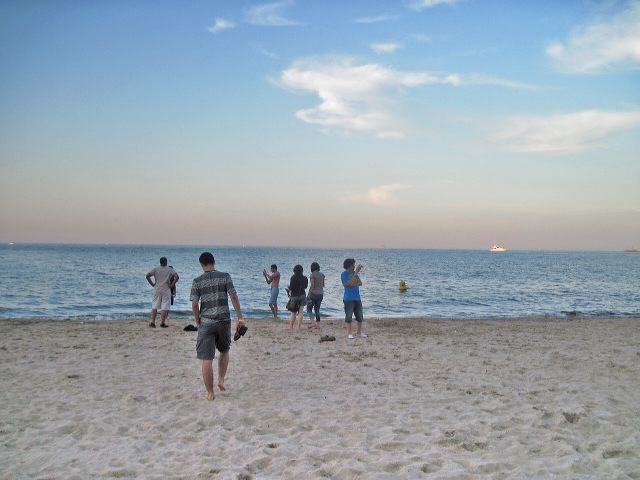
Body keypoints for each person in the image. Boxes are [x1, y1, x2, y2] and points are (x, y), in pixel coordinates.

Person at [190, 252, 245, 401]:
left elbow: (195, 304)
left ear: (201, 264)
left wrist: (198, 321)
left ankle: (210, 393)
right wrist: (240, 317)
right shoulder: (225, 276)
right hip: (223, 320)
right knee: (224, 350)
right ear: (214, 262)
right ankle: (221, 380)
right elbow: (233, 296)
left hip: (206, 322)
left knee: (206, 359)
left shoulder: (197, 281)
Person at [146, 257, 179, 328]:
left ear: (160, 262)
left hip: (157, 288)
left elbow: (147, 276)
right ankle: (162, 323)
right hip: (166, 289)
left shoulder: (155, 269)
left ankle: (153, 322)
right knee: (165, 306)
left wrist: (152, 284)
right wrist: (172, 284)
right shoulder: (170, 269)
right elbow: (177, 277)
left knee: (154, 305)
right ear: (166, 262)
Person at [341, 258, 366, 339]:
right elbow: (347, 284)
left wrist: (353, 281)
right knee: (348, 317)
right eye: (353, 265)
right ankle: (349, 333)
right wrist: (355, 275)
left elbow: (360, 283)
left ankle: (359, 333)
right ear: (349, 266)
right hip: (348, 299)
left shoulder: (354, 274)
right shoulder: (343, 274)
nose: (354, 267)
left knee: (359, 317)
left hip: (357, 298)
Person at [288, 264, 308, 333]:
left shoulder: (293, 277)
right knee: (301, 312)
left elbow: (291, 287)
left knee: (293, 312)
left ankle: (291, 327)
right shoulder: (305, 278)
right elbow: (305, 287)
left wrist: (289, 290)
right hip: (302, 295)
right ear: (302, 271)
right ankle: (299, 328)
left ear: (294, 271)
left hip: (294, 296)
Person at [306, 262, 325, 329]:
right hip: (321, 294)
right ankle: (318, 325)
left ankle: (313, 322)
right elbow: (323, 285)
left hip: (313, 294)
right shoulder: (322, 275)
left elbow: (312, 285)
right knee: (317, 309)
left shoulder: (312, 275)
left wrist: (308, 295)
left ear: (312, 268)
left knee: (309, 309)